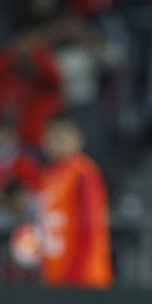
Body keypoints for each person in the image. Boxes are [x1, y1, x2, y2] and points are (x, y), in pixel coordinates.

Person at [36, 114, 113, 288]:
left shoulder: (84, 172)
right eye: (53, 137)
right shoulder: (47, 176)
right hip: (55, 274)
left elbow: (90, 225)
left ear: (78, 139)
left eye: (63, 137)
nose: (57, 142)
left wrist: (74, 276)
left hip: (83, 277)